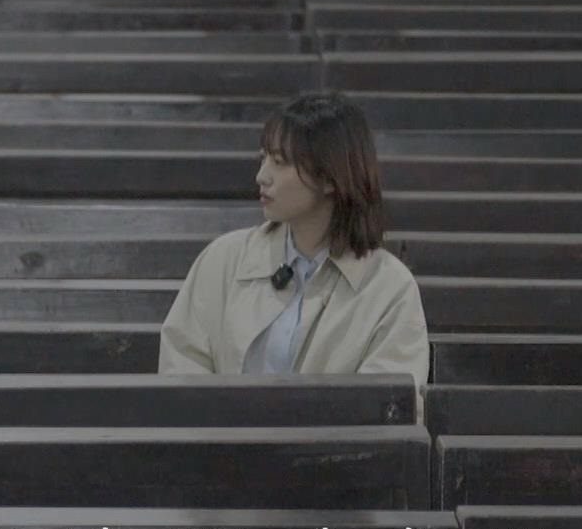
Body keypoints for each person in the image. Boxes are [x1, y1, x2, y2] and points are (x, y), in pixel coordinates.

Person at [158, 90, 429, 385]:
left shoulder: (389, 288)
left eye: (279, 162)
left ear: (329, 177)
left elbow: (387, 403)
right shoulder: (224, 259)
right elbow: (182, 368)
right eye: (263, 158)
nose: (262, 176)